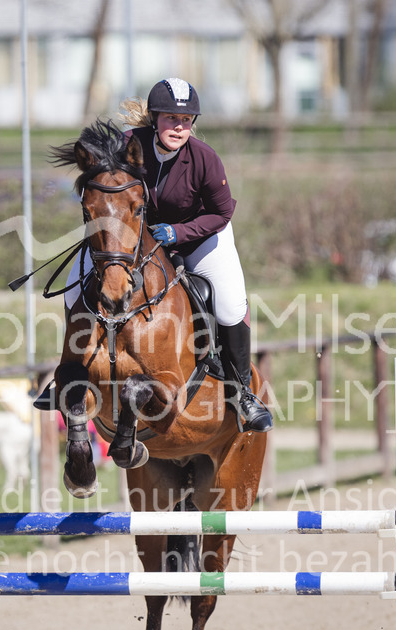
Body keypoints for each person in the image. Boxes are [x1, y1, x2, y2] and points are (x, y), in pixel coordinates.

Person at [59, 77, 272, 432]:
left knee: (231, 304)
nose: (179, 127)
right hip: (139, 242)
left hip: (200, 237)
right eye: (171, 119)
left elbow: (221, 213)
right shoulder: (130, 145)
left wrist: (177, 233)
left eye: (186, 121)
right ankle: (70, 372)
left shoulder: (204, 159)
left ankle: (241, 392)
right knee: (73, 285)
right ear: (155, 118)